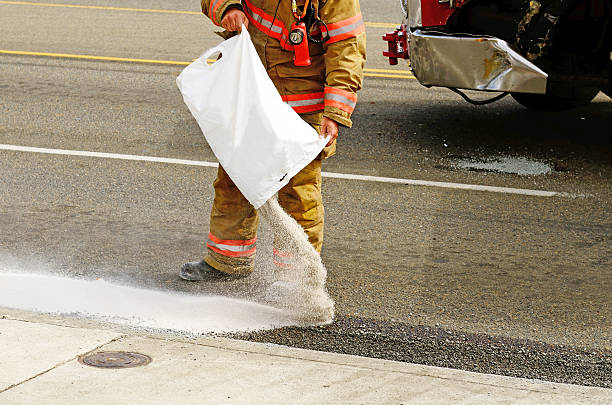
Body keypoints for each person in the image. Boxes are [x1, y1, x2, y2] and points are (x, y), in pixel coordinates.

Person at [180, 0, 366, 281]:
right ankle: (227, 260)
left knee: (300, 192)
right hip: (254, 92)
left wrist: (336, 111)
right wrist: (228, 9)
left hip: (303, 105)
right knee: (235, 177)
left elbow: (347, 47)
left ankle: (297, 278)